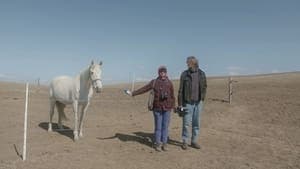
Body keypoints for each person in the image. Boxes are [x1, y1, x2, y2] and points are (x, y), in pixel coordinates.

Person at [125, 66, 175, 152]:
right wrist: (134, 93)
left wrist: (174, 106)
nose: (162, 74)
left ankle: (165, 144)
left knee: (165, 127)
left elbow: (172, 96)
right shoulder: (154, 82)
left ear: (166, 73)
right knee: (158, 127)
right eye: (161, 72)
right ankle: (158, 143)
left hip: (167, 109)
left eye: (164, 72)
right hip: (157, 108)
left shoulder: (169, 83)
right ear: (158, 73)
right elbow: (144, 89)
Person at [177, 56, 207, 150]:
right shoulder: (184, 74)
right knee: (186, 123)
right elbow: (180, 90)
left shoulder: (202, 74)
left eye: (188, 62)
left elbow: (205, 86)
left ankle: (194, 141)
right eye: (187, 62)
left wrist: (202, 98)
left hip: (198, 102)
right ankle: (185, 141)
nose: (187, 64)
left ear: (193, 63)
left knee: (196, 123)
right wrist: (180, 104)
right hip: (188, 103)